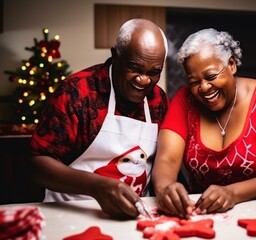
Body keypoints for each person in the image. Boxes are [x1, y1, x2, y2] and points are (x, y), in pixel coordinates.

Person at [29, 18, 169, 219]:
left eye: (154, 72)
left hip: (135, 218)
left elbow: (163, 161)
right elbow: (38, 164)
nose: (144, 80)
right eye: (135, 68)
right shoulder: (78, 91)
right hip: (73, 214)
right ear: (115, 55)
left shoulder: (158, 100)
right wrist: (96, 186)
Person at [152, 28, 256, 218]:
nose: (203, 87)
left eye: (211, 76)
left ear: (232, 64)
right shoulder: (184, 100)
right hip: (202, 215)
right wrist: (166, 188)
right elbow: (166, 160)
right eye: (194, 82)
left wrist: (232, 193)